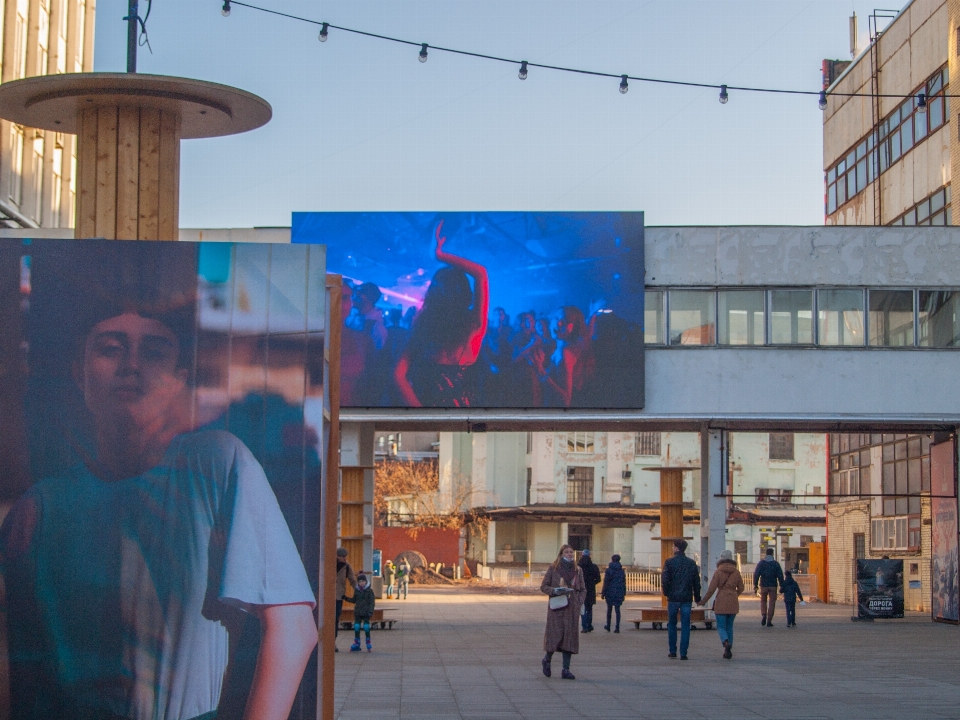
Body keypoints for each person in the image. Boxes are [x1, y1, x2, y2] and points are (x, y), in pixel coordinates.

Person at [0, 307, 318, 720]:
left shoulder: (217, 463)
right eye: (111, 349)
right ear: (79, 374)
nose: (131, 366)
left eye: (153, 352)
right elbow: (26, 671)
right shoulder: (41, 507)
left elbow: (293, 627)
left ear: (178, 380)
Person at [395, 219, 489, 407]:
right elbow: (481, 273)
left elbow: (398, 375)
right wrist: (439, 255)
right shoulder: (475, 328)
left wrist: (422, 415)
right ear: (465, 294)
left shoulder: (422, 329)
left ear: (433, 294)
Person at [540, 545, 586, 680]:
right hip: (557, 608)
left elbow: (583, 589)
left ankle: (566, 669)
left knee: (569, 639)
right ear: (561, 554)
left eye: (571, 552)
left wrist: (580, 600)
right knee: (555, 636)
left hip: (572, 608)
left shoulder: (578, 570)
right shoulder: (554, 568)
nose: (570, 554)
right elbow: (543, 586)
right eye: (567, 552)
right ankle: (547, 660)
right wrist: (554, 591)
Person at [698, 549, 745, 659]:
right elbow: (742, 588)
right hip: (733, 601)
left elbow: (711, 589)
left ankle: (725, 641)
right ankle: (728, 649)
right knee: (729, 626)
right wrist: (734, 594)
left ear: (721, 559)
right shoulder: (736, 572)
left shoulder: (718, 572)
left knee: (720, 626)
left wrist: (703, 601)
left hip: (721, 601)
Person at [661, 539, 701, 660]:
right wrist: (697, 597)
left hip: (673, 598)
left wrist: (667, 593)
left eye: (673, 547)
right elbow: (696, 582)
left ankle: (672, 651)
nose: (673, 548)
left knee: (672, 624)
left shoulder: (669, 562)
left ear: (677, 548)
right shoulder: (691, 563)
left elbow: (665, 580)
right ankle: (683, 653)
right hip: (686, 598)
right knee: (685, 625)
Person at [344, 573, 376, 652]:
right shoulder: (357, 590)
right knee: (357, 626)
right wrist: (346, 598)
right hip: (358, 611)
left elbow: (372, 602)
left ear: (366, 581)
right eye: (360, 581)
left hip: (366, 612)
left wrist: (370, 611)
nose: (361, 583)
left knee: (366, 626)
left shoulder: (369, 591)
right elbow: (354, 600)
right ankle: (357, 642)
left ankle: (368, 642)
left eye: (363, 581)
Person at [753, 547, 785, 627]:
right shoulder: (775, 564)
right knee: (772, 602)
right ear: (772, 554)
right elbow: (780, 575)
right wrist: (782, 585)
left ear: (766, 554)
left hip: (763, 585)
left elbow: (756, 574)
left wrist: (755, 585)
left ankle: (764, 614)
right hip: (773, 586)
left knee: (763, 601)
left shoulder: (761, 563)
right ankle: (769, 621)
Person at [336, 547, 358, 650]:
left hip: (338, 596)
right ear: (337, 556)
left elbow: (352, 579)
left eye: (345, 557)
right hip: (327, 596)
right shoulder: (328, 564)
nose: (344, 559)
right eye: (342, 557)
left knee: (335, 619)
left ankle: (333, 642)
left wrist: (359, 590)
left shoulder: (347, 566)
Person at [601, 553, 627, 633]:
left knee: (609, 609)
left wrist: (603, 593)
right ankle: (617, 627)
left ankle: (608, 625)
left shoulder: (609, 570)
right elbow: (623, 583)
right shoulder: (621, 571)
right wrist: (624, 593)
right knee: (617, 610)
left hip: (610, 591)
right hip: (619, 591)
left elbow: (606, 582)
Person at [577, 549, 601, 632]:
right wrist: (592, 583)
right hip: (590, 589)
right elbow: (598, 579)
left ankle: (584, 627)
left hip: (580, 590)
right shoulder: (594, 566)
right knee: (589, 608)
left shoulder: (578, 567)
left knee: (582, 608)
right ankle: (589, 625)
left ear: (582, 555)